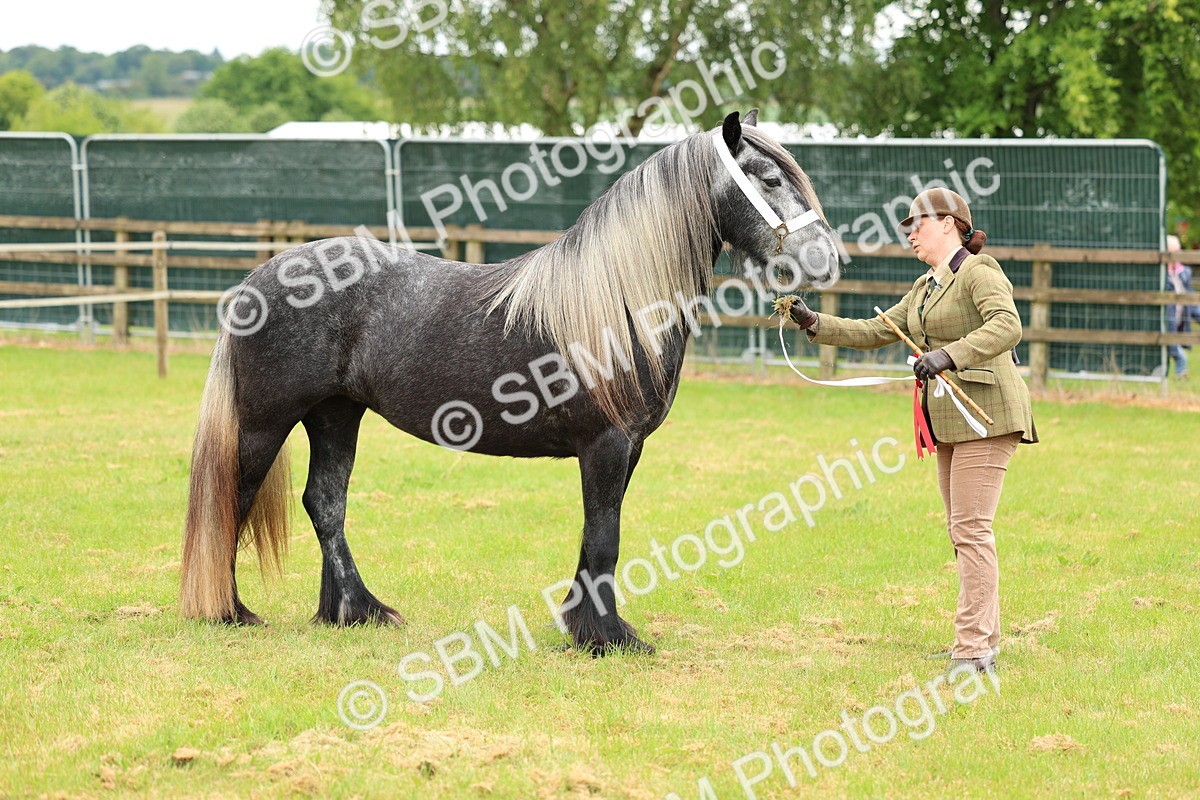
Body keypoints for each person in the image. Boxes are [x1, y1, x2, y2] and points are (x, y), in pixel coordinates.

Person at [778, 188, 1037, 674]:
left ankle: (974, 649)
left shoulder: (980, 272)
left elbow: (1007, 326)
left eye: (917, 223)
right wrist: (814, 323)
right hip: (951, 418)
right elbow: (876, 330)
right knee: (962, 531)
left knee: (971, 529)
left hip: (989, 414)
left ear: (949, 223)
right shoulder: (925, 287)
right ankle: (982, 640)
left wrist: (947, 354)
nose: (910, 233)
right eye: (908, 226)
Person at [1166, 235, 1197, 379]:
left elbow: (1191, 303)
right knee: (1180, 357)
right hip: (1166, 326)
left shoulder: (1183, 273)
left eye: (1179, 251)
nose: (1177, 255)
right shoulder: (1161, 275)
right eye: (1174, 252)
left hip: (1178, 324)